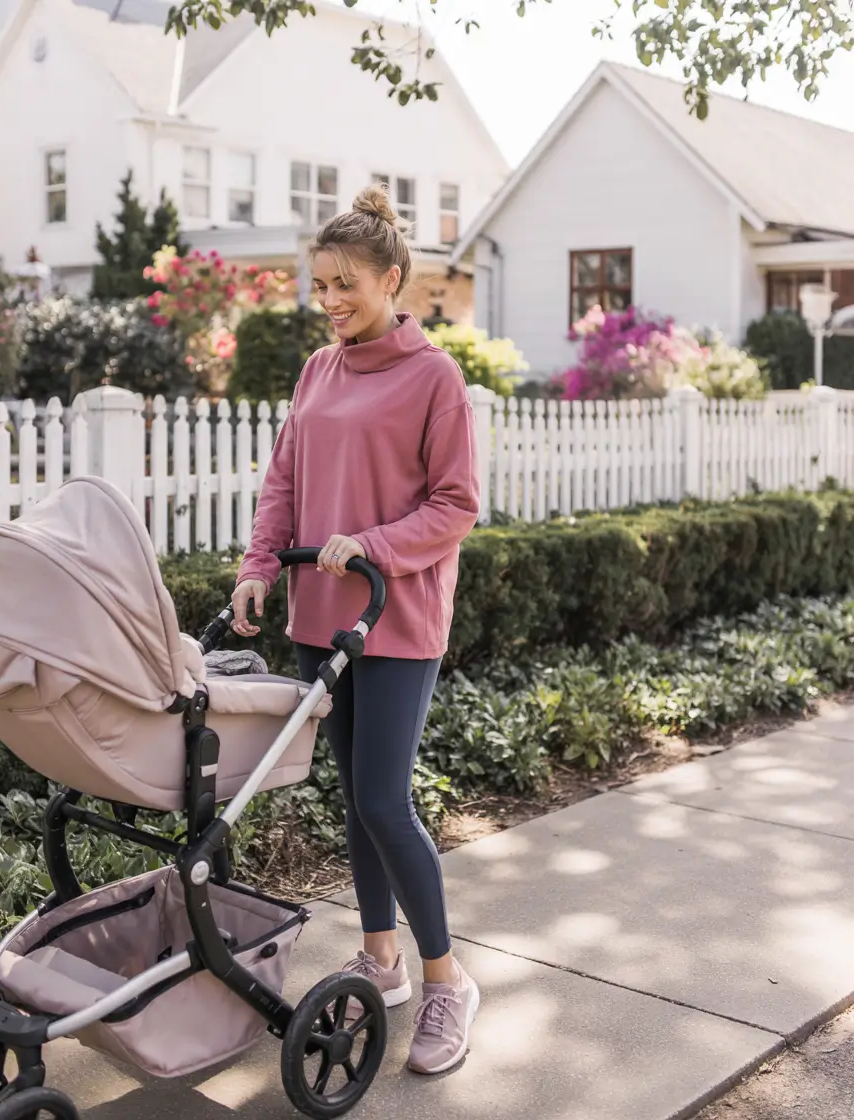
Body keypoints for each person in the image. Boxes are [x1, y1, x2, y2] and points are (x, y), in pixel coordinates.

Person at [231, 184, 481, 1076]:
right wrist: (261, 565)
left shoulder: (434, 378)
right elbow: (284, 481)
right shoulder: (317, 369)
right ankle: (382, 958)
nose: (330, 300)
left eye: (346, 284)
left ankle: (448, 980)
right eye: (321, 285)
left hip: (398, 618)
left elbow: (457, 506)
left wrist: (371, 545)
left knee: (383, 801)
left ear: (392, 278)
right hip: (321, 616)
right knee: (353, 799)